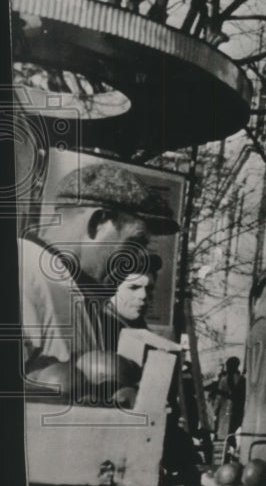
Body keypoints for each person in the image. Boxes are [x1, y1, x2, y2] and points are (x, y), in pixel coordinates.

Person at [20, 161, 179, 402]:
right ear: (98, 222)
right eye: (134, 243)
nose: (137, 260)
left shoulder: (72, 288)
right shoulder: (24, 271)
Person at [101, 253, 162, 353]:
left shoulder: (138, 327)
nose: (144, 295)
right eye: (133, 287)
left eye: (149, 288)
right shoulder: (98, 330)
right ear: (112, 290)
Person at [214, 356, 246, 441]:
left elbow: (219, 397)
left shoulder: (224, 380)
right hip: (238, 408)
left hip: (226, 408)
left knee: (226, 431)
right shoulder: (243, 379)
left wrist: (215, 410)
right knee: (235, 430)